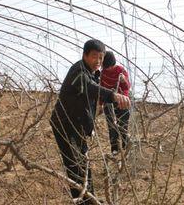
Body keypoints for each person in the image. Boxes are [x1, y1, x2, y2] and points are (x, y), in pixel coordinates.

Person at [50, 39, 130, 204]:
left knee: (83, 161)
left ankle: (90, 197)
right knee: (74, 165)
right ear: (85, 55)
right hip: (65, 125)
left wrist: (91, 122)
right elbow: (91, 88)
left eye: (101, 58)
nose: (98, 61)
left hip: (77, 124)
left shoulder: (91, 72)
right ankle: (81, 201)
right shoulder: (79, 71)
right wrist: (113, 95)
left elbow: (89, 97)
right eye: (94, 57)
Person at [100, 51, 131, 156]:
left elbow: (127, 87)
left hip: (122, 102)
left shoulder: (121, 71)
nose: (108, 69)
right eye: (105, 67)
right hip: (108, 102)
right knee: (111, 125)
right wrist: (100, 104)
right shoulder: (103, 72)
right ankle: (115, 149)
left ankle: (125, 147)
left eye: (109, 67)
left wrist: (123, 80)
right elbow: (101, 89)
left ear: (113, 64)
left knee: (123, 124)